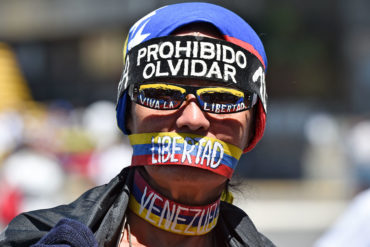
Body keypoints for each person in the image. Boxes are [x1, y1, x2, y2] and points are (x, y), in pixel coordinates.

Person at [0, 2, 273, 247]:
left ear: (253, 128)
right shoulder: (38, 239)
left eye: (223, 98)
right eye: (161, 94)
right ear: (127, 114)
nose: (192, 119)